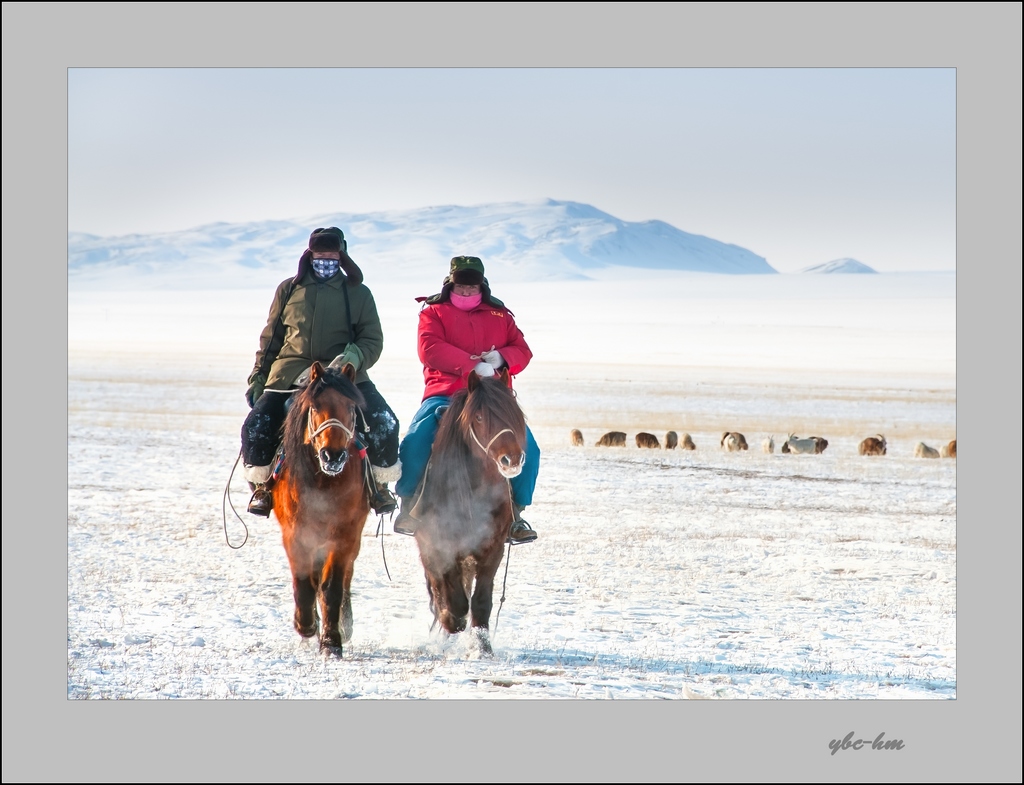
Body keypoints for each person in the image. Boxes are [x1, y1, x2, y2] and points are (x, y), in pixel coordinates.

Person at [241, 227, 400, 518]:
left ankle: (379, 488)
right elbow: (271, 338)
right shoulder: (288, 289)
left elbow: (372, 340)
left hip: (345, 376)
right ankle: (263, 488)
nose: (325, 261)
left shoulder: (358, 293)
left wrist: (351, 358)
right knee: (256, 426)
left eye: (331, 256)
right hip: (289, 374)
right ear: (309, 256)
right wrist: (259, 376)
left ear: (342, 256)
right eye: (319, 256)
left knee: (385, 423)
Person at [393, 255, 540, 544]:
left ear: (482, 286)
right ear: (450, 283)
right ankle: (409, 504)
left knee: (529, 448)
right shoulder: (433, 312)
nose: (466, 292)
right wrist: (471, 365)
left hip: (494, 398)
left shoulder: (501, 315)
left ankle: (516, 514)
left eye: (472, 287)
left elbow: (523, 350)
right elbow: (430, 349)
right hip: (446, 392)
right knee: (416, 440)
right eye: (461, 286)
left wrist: (502, 359)